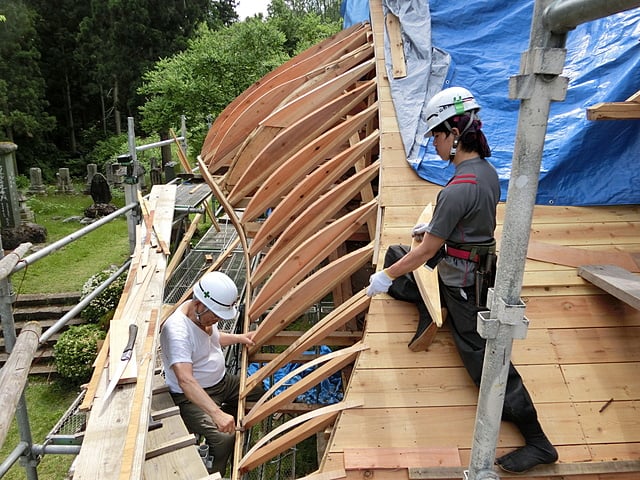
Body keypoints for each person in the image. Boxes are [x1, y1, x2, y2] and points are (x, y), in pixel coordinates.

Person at [365, 86, 558, 474]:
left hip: (465, 285)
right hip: (470, 263)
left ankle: (539, 442)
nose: (434, 143)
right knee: (396, 253)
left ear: (455, 134)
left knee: (484, 363)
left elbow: (423, 253)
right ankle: (430, 307)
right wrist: (437, 227)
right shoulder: (484, 173)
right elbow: (465, 223)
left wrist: (384, 278)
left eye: (436, 135)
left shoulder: (458, 188)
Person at [160, 270, 263, 475]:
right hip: (191, 396)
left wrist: (241, 338)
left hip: (221, 383)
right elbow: (186, 380)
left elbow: (212, 339)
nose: (216, 320)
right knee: (223, 438)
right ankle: (215, 472)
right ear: (198, 304)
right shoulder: (177, 331)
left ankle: (233, 421)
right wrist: (216, 414)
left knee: (259, 390)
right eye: (215, 316)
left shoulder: (200, 317)